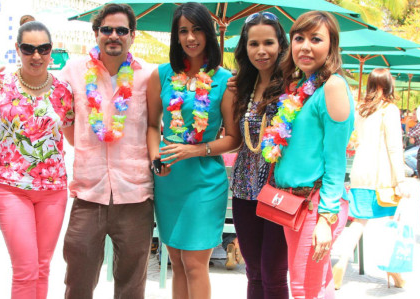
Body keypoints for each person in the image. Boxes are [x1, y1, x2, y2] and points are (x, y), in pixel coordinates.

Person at [0, 4, 155, 298]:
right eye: (106, 29)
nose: (113, 35)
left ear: (132, 35)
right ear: (96, 33)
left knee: (131, 283)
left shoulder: (149, 76)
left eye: (121, 30)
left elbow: (157, 124)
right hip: (88, 194)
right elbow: (35, 81)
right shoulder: (73, 72)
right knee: (77, 279)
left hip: (135, 194)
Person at [146, 3, 240, 298]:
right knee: (176, 261)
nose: (190, 37)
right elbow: (151, 125)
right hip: (169, 179)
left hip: (204, 180)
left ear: (208, 33)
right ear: (175, 36)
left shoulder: (225, 80)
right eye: (183, 31)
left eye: (197, 29)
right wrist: (155, 158)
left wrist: (196, 150)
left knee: (195, 263)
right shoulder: (160, 75)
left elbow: (234, 138)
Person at [265, 11, 354, 298]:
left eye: (316, 39)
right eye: (299, 38)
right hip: (295, 203)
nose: (305, 46)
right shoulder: (305, 88)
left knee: (304, 289)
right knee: (317, 285)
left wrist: (326, 219)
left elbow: (336, 160)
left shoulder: (333, 86)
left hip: (317, 205)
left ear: (331, 45)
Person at [0, 21, 74, 299]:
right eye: (28, 49)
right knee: (25, 269)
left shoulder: (64, 91)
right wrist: (15, 153)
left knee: (42, 266)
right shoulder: (0, 85)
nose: (36, 55)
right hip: (10, 188)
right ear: (17, 49)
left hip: (53, 190)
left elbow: (71, 135)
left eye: (43, 48)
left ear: (51, 51)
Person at [229, 11, 290, 298]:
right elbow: (234, 137)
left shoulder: (294, 85)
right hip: (243, 187)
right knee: (253, 272)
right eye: (253, 44)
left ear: (281, 44)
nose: (261, 51)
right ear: (245, 47)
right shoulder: (242, 85)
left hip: (280, 189)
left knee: (274, 274)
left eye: (268, 42)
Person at [332, 68, 408, 289]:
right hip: (383, 174)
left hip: (360, 173)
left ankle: (342, 262)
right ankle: (393, 268)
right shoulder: (390, 110)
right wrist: (401, 179)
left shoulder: (361, 110)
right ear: (386, 86)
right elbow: (394, 147)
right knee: (391, 222)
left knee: (359, 222)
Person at [404, 106, 420, 176]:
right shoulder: (418, 124)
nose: (413, 116)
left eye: (415, 114)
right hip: (417, 146)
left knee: (405, 156)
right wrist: (407, 124)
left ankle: (419, 170)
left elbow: (409, 134)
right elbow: (408, 133)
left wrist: (410, 136)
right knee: (404, 152)